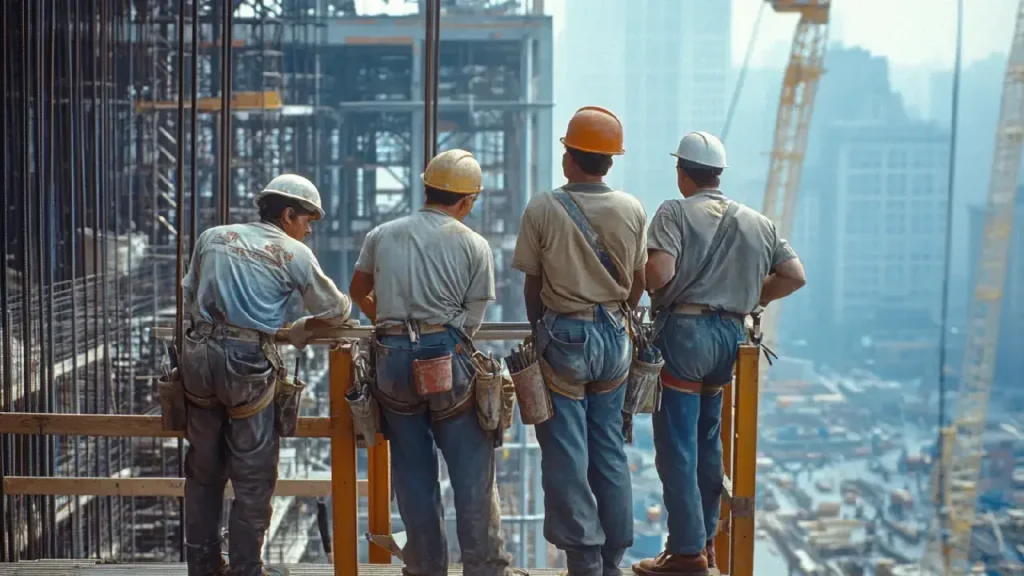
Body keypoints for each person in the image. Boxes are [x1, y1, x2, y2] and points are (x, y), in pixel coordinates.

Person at [633, 131, 806, 576]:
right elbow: (793, 274)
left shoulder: (673, 212)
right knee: (708, 441)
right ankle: (707, 542)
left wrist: (653, 279)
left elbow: (660, 275)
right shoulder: (757, 221)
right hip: (730, 339)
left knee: (676, 445)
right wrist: (753, 298)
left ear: (681, 173)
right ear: (719, 174)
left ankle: (687, 551)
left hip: (685, 336)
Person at [349, 149, 523, 576]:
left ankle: (426, 568)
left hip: (391, 360)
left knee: (412, 473)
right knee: (471, 476)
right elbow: (473, 320)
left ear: (425, 189)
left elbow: (358, 290)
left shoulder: (382, 234)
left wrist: (390, 324)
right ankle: (484, 568)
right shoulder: (473, 244)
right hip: (446, 358)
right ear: (466, 201)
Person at [180, 174, 354, 576]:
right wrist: (302, 327)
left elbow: (190, 295)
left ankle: (203, 567)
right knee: (254, 476)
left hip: (198, 359)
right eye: (307, 220)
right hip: (245, 367)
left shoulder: (213, 236)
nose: (309, 229)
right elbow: (338, 310)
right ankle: (245, 569)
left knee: (203, 469)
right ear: (288, 213)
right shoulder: (293, 253)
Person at [511, 106, 647, 576]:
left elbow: (531, 285)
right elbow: (638, 282)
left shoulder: (544, 206)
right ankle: (613, 557)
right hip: (615, 337)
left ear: (570, 157)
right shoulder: (631, 208)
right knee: (608, 446)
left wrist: (541, 333)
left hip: (564, 336)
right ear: (609, 162)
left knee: (566, 450)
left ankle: (584, 558)